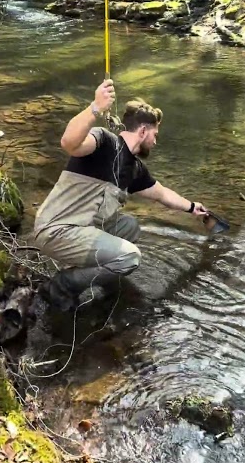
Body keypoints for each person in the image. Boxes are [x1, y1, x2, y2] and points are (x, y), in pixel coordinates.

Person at [32, 79, 211, 311]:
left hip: (81, 228)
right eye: (155, 134)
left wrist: (192, 207)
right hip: (56, 230)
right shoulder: (103, 142)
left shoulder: (134, 168)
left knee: (130, 227)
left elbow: (162, 194)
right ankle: (63, 285)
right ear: (143, 130)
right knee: (130, 257)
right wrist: (95, 108)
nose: (156, 141)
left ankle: (96, 274)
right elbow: (69, 143)